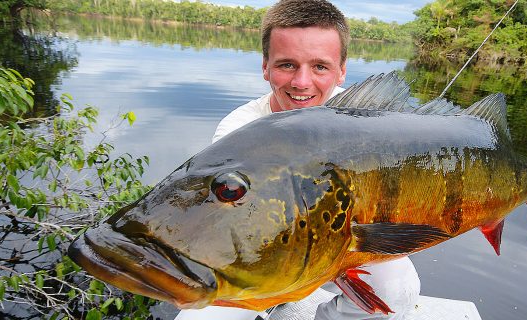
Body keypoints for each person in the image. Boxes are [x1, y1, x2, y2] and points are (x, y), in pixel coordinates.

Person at [178, 1, 421, 319]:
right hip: (262, 251)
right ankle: (275, 296)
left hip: (342, 238)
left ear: (342, 70)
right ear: (265, 66)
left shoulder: (365, 118)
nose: (302, 83)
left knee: (397, 287)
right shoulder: (239, 132)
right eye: (287, 65)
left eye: (320, 67)